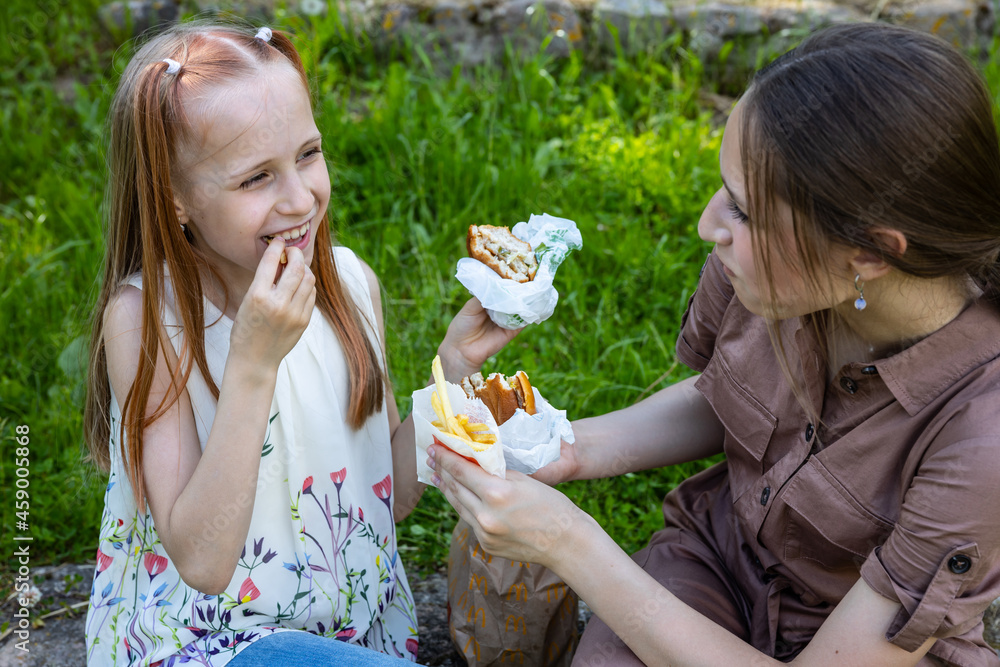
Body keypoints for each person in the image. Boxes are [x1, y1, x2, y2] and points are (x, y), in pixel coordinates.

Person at [427, 22, 1000, 667]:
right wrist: (569, 450)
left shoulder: (983, 438)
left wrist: (568, 541)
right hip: (716, 563)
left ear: (869, 252)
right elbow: (721, 395)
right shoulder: (782, 277)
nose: (709, 225)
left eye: (744, 211)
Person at [82, 21, 516, 666]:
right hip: (208, 645)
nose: (299, 197)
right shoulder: (149, 317)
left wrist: (451, 372)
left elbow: (385, 499)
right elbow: (201, 560)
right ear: (175, 198)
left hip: (347, 634)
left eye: (307, 154)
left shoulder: (348, 283)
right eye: (256, 177)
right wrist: (253, 362)